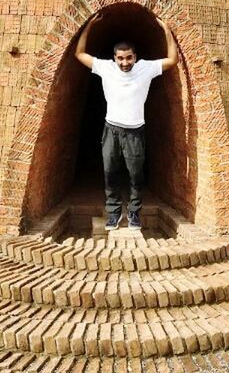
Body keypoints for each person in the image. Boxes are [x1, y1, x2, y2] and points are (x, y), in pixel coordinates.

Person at [75, 13, 178, 230]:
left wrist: (167, 32)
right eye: (121, 58)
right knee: (110, 173)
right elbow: (80, 54)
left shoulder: (146, 68)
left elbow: (172, 60)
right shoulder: (106, 68)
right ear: (114, 58)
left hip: (135, 131)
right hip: (111, 129)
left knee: (135, 176)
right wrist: (89, 27)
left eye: (129, 58)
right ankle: (113, 212)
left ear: (135, 56)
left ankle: (134, 214)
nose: (125, 62)